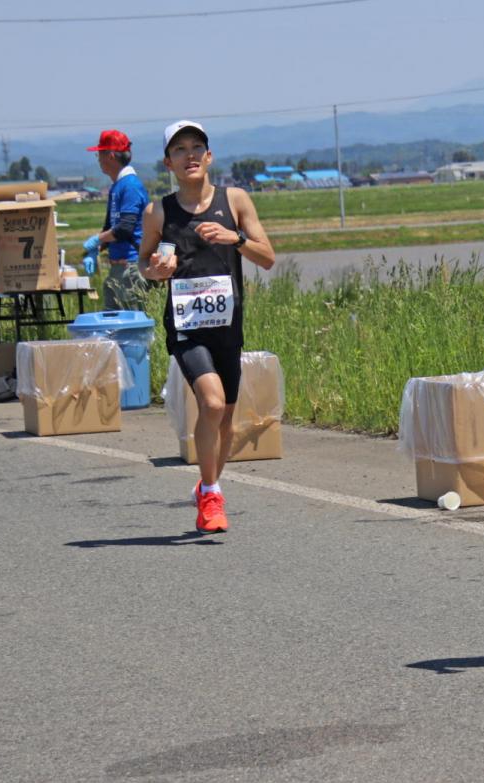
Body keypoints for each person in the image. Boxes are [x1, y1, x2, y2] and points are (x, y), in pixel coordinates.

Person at [139, 121, 275, 534]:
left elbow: (267, 257)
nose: (190, 155)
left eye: (197, 147)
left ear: (209, 156)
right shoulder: (158, 210)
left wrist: (234, 239)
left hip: (227, 324)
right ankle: (213, 494)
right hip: (186, 326)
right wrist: (157, 271)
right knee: (212, 404)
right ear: (169, 163)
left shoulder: (235, 200)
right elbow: (145, 263)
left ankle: (206, 485)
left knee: (226, 420)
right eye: (180, 149)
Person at [84, 130, 151, 310]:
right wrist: (97, 249)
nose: (98, 159)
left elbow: (124, 229)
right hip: (118, 268)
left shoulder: (130, 186)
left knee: (132, 323)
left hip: (131, 267)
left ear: (111, 156)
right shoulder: (117, 186)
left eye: (100, 154)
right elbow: (110, 226)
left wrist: (97, 239)